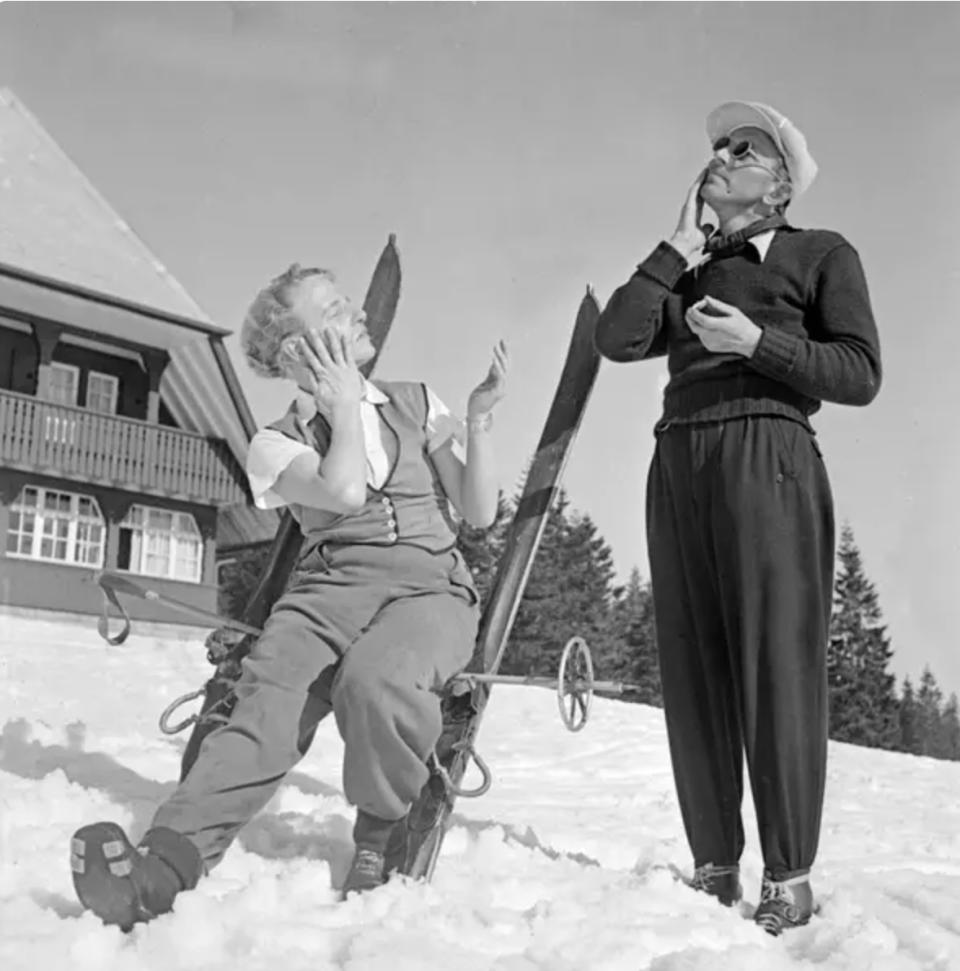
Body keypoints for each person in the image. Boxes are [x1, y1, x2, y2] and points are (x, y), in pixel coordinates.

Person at [70, 263, 509, 929]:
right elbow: (343, 493)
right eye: (334, 309)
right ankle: (163, 867)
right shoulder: (273, 443)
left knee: (377, 681)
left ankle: (380, 832)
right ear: (295, 352)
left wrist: (475, 422)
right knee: (263, 704)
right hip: (328, 588)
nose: (359, 313)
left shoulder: (419, 402)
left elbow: (478, 512)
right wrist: (336, 406)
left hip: (427, 588)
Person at [594, 101, 881, 935]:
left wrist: (760, 343)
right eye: (716, 145)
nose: (719, 154)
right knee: (692, 663)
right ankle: (714, 865)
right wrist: (674, 248)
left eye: (743, 148)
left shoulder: (821, 253)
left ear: (781, 184)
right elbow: (616, 338)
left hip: (770, 452)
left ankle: (787, 877)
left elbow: (860, 372)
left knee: (774, 662)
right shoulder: (688, 269)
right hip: (678, 454)